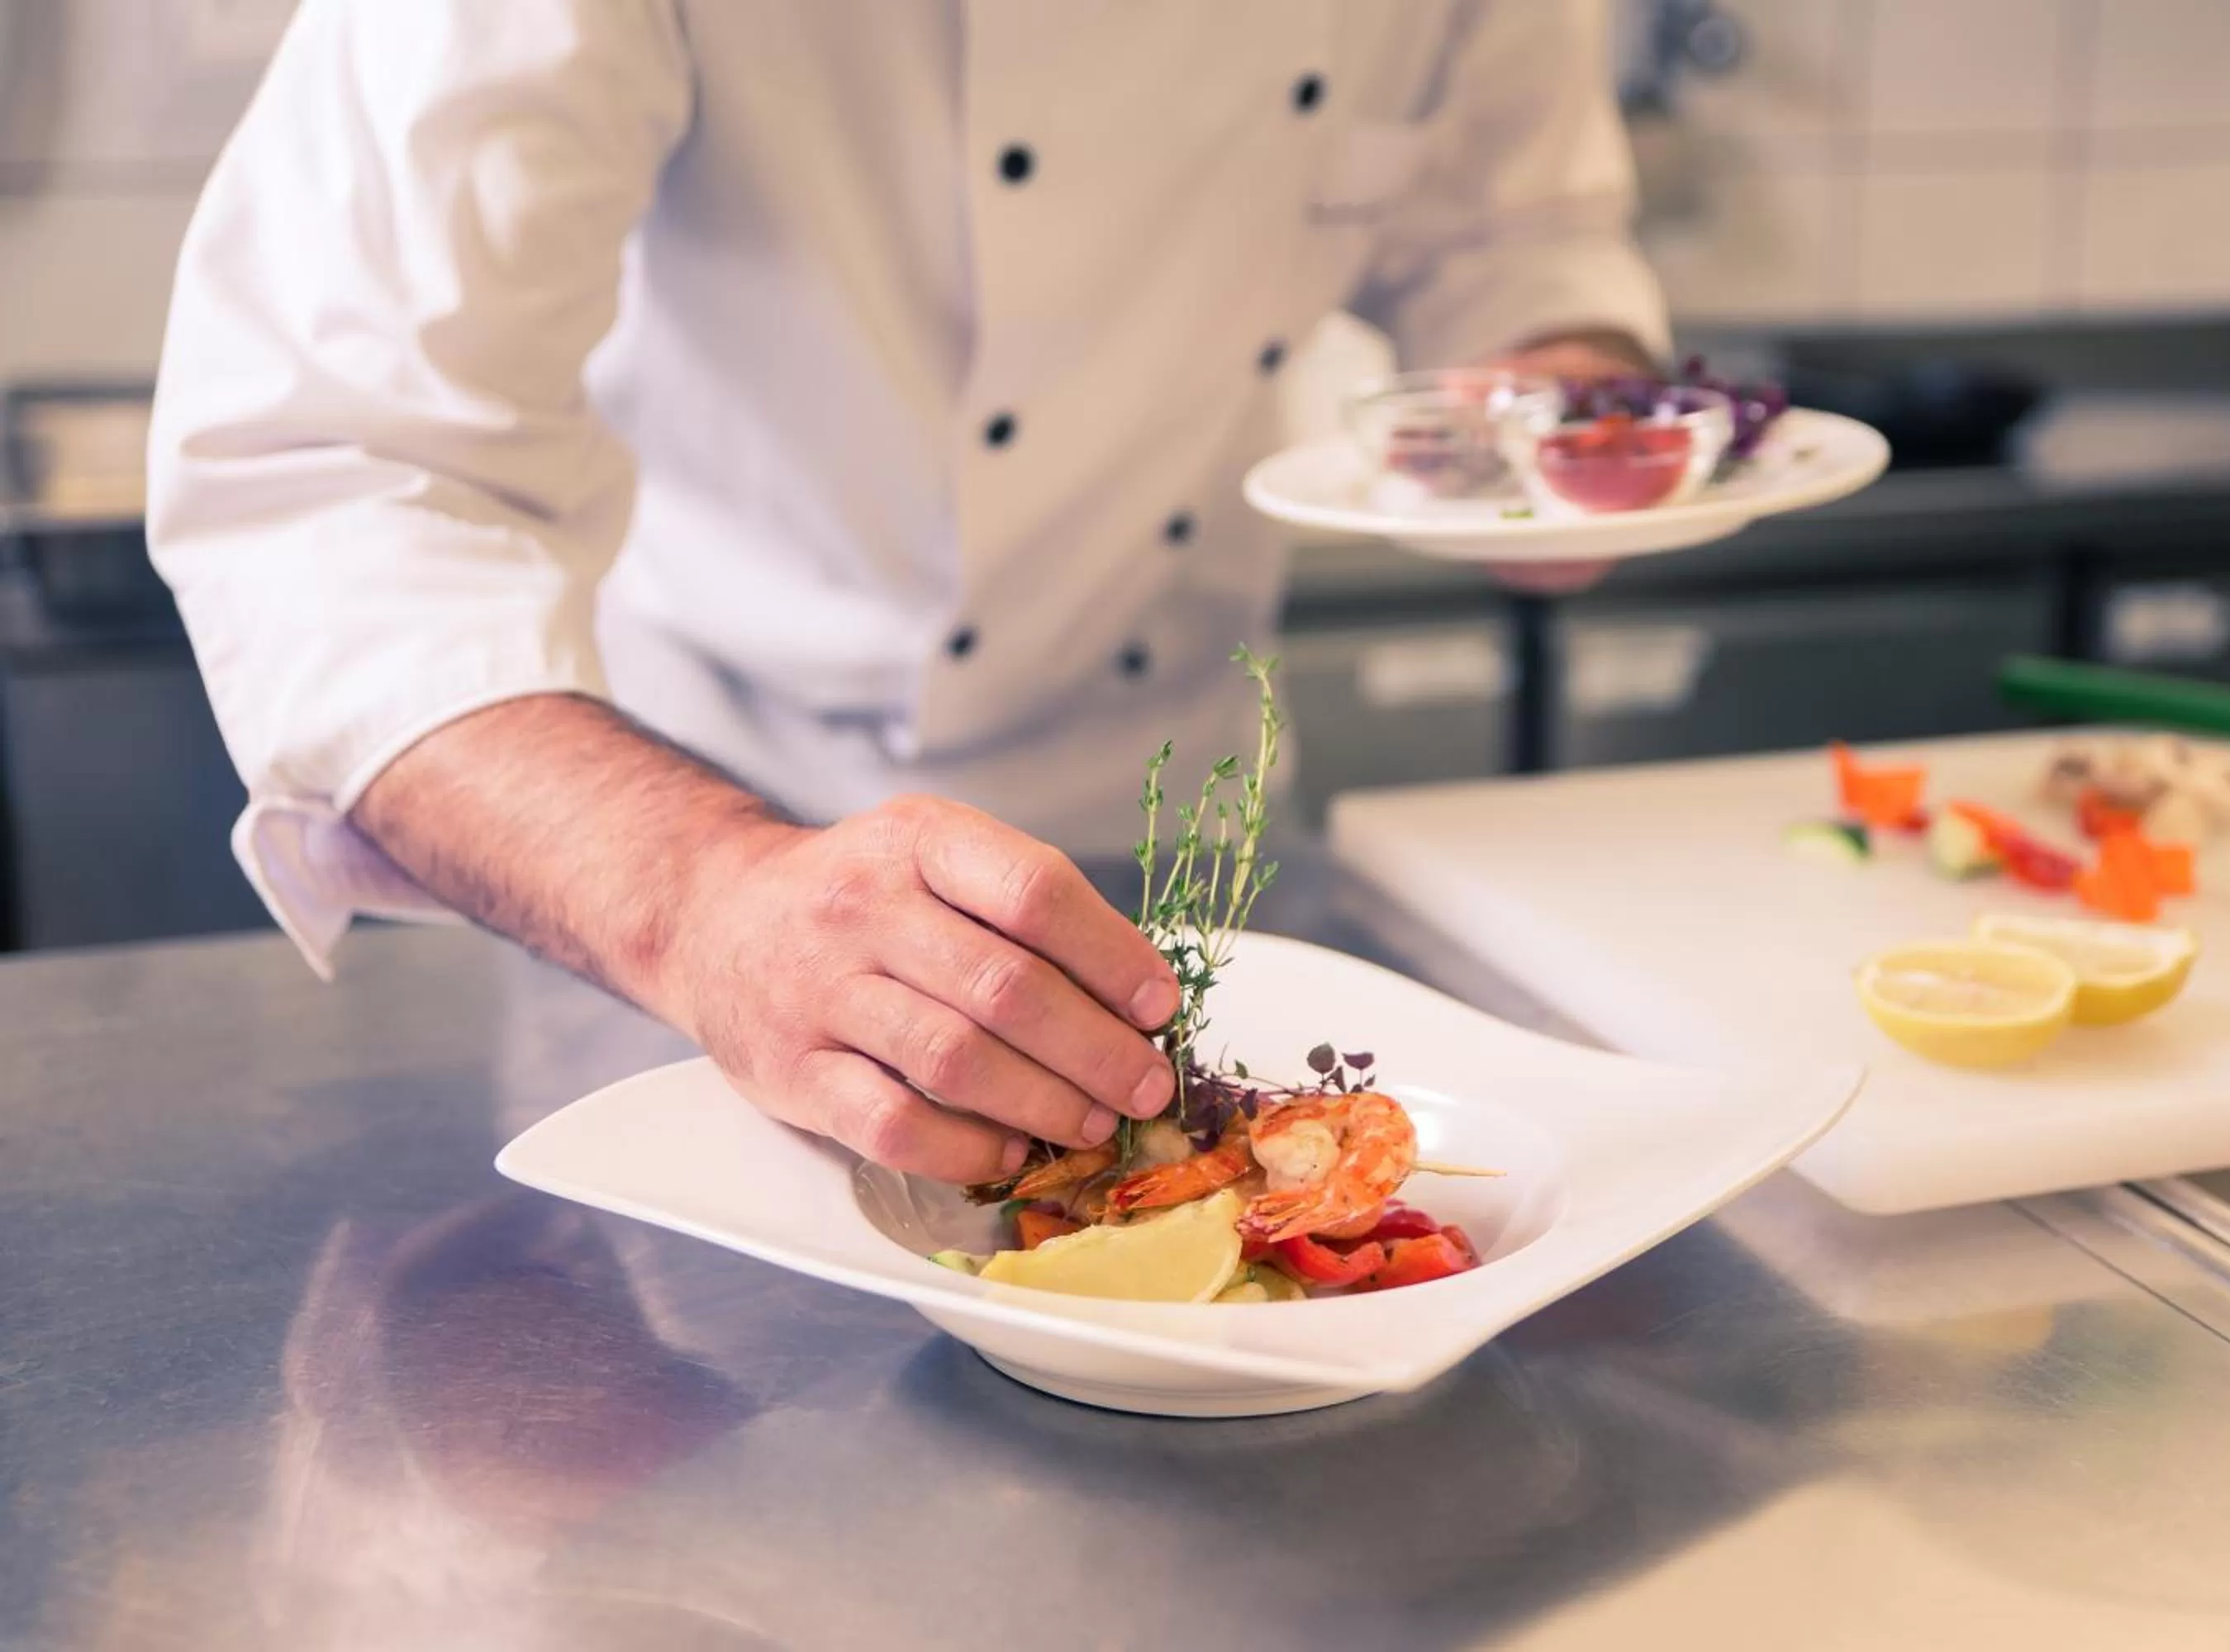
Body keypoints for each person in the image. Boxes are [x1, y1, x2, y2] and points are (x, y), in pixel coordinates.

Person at [148, 2, 1668, 1184]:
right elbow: (336, 469)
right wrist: (704, 902)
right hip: (710, 874)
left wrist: (1565, 413)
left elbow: (1516, 238)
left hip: (1192, 851)